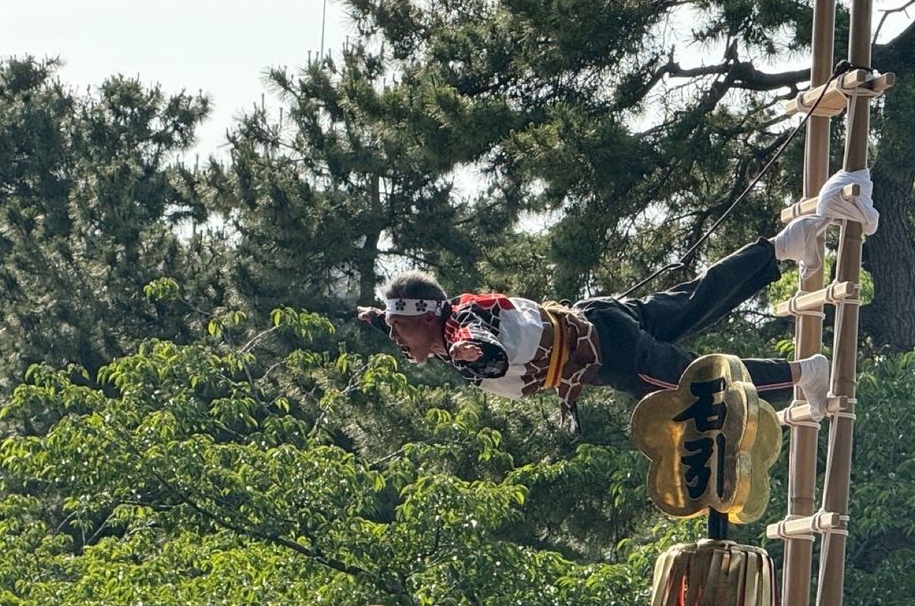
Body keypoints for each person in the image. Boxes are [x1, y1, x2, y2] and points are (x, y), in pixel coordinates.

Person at [358, 170, 876, 429]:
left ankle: (804, 373)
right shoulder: (442, 325)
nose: (397, 341)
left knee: (697, 387)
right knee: (696, 300)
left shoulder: (460, 325)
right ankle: (787, 244)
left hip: (608, 352)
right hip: (597, 318)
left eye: (399, 329)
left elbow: (482, 346)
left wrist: (478, 352)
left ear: (425, 317)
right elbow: (424, 330)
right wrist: (377, 318)